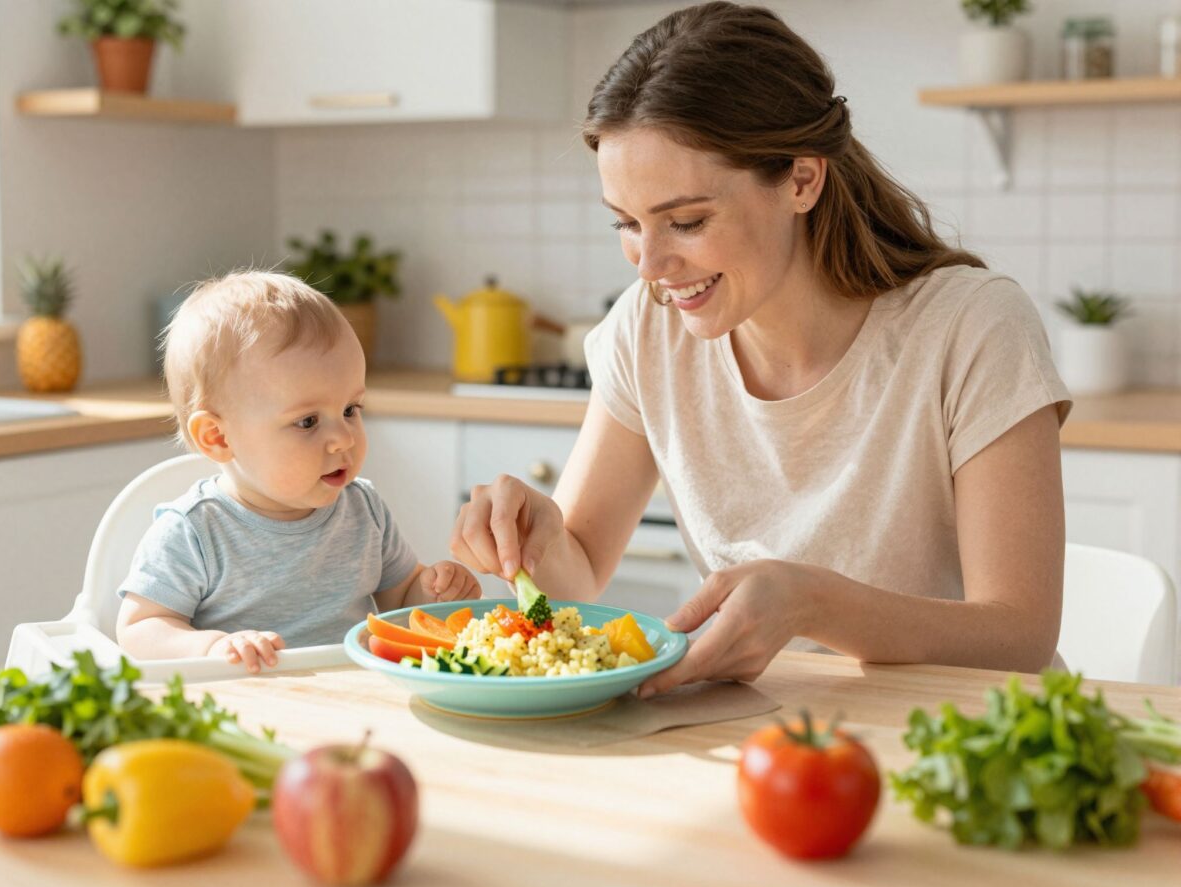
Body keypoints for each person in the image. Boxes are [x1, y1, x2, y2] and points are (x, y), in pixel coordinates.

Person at [450, 1, 1072, 697]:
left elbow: (1019, 634)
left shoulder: (971, 327)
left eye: (685, 221)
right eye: (626, 224)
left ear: (802, 180)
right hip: (772, 729)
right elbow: (581, 565)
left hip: (962, 729)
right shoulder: (646, 329)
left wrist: (812, 603)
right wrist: (538, 540)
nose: (649, 263)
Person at [117, 271, 480, 673]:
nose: (343, 438)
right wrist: (212, 647)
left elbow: (400, 601)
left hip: (352, 697)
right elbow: (139, 628)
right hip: (248, 708)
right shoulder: (194, 531)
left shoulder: (364, 510)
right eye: (307, 421)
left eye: (350, 410)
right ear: (218, 438)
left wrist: (432, 591)